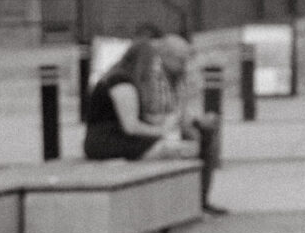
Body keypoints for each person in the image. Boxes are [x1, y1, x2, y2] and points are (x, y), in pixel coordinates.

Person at [84, 29, 223, 210]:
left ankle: (197, 202)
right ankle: (186, 205)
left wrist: (188, 121)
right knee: (185, 150)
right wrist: (164, 129)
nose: (153, 67)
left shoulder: (133, 79)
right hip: (111, 141)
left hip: (128, 136)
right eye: (181, 59)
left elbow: (156, 115)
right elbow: (132, 125)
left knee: (201, 138)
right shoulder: (121, 82)